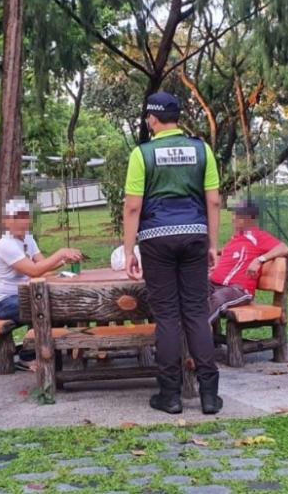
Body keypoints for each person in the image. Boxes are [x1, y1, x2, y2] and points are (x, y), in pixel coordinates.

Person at [123, 91, 223, 415]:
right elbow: (214, 201)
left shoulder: (142, 154)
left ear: (152, 119)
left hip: (156, 239)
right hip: (195, 235)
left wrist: (128, 251)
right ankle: (209, 395)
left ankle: (171, 395)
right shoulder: (202, 150)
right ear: (177, 118)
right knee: (195, 312)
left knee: (167, 316)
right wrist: (212, 244)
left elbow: (133, 206)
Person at [0, 198, 82, 369]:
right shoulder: (5, 245)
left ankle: (57, 348)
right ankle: (27, 355)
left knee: (54, 304)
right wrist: (61, 252)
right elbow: (34, 271)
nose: (21, 221)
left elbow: (43, 266)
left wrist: (63, 261)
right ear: (6, 221)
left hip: (23, 295)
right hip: (3, 302)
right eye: (16, 217)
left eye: (24, 216)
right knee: (42, 307)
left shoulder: (28, 239)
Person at [209, 203, 288, 322]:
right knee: (193, 289)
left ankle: (195, 334)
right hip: (216, 285)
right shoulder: (236, 238)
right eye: (235, 215)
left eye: (240, 217)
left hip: (238, 290)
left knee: (217, 299)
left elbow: (284, 248)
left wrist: (259, 260)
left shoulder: (257, 236)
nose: (234, 219)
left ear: (251, 220)